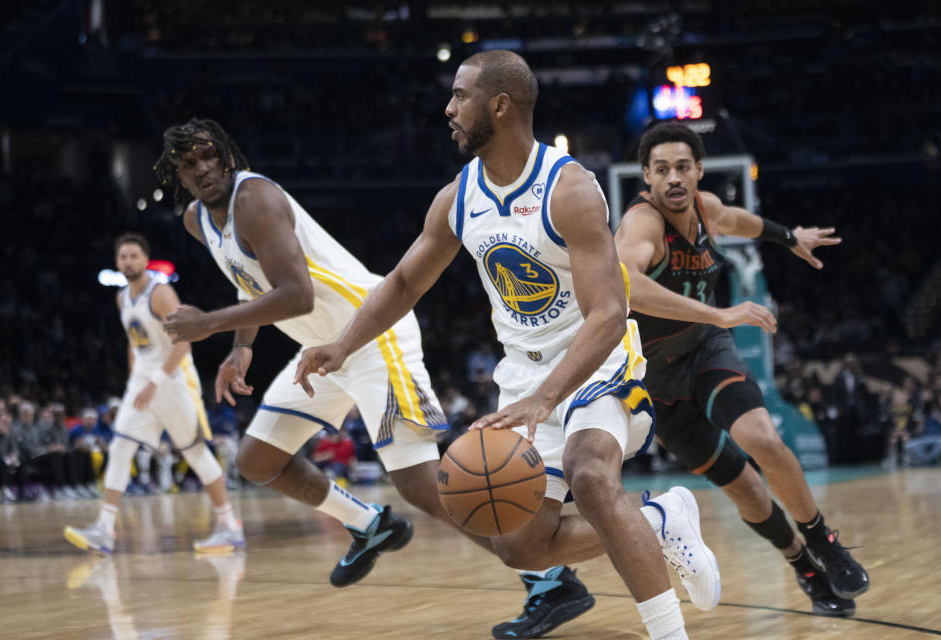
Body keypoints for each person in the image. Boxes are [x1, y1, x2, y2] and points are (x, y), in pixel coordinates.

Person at [295, 51, 719, 640]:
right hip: (523, 372)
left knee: (592, 478)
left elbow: (609, 312)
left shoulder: (569, 189)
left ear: (500, 105)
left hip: (596, 359)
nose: (448, 108)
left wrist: (548, 399)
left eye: (460, 95)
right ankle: (661, 517)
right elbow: (403, 282)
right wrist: (342, 345)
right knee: (519, 546)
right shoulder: (457, 197)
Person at [155, 118, 447, 588]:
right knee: (256, 461)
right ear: (177, 174)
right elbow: (249, 281)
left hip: (371, 333)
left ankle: (546, 574)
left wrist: (208, 323)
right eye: (190, 163)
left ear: (228, 156)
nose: (204, 168)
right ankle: (370, 525)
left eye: (211, 156)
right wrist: (241, 346)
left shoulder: (254, 199)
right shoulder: (197, 220)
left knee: (420, 486)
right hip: (322, 353)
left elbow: (297, 296)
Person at [612, 121, 868, 616]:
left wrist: (788, 236)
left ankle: (824, 541)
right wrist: (719, 313)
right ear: (646, 176)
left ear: (698, 170)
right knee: (744, 487)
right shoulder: (642, 223)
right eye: (662, 169)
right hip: (658, 383)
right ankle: (804, 567)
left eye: (683, 167)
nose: (673, 178)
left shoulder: (705, 209)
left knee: (764, 440)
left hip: (706, 351)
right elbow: (627, 283)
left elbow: (735, 220)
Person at [64, 233, 244, 554]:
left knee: (195, 452)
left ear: (145, 259)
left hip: (173, 379)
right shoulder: (121, 298)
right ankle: (105, 530)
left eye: (133, 256)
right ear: (117, 262)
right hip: (144, 381)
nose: (128, 262)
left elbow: (183, 343)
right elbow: (134, 344)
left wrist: (154, 382)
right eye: (122, 257)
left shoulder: (160, 293)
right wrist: (136, 380)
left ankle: (229, 525)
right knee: (119, 448)